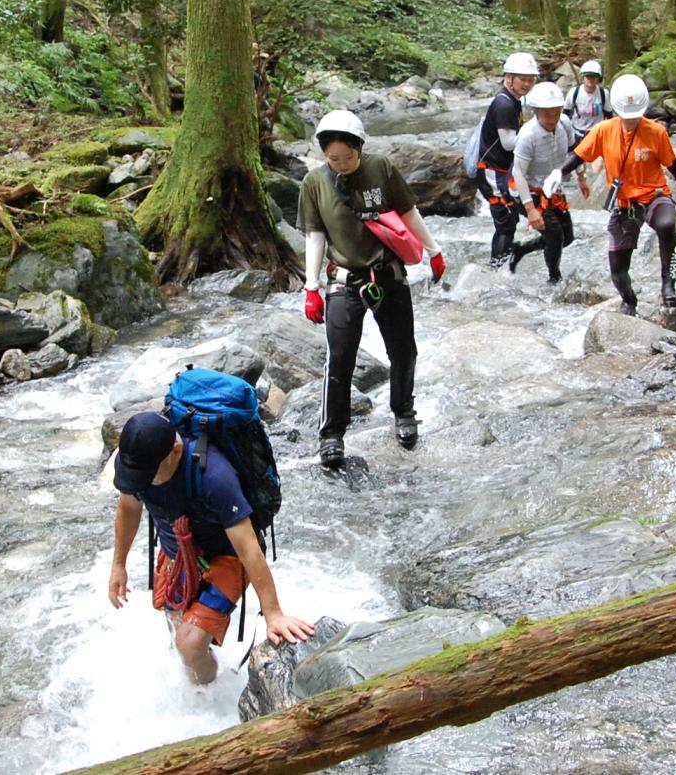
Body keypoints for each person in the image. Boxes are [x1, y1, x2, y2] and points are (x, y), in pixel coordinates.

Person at [108, 412, 314, 684]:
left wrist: (273, 614)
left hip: (227, 557)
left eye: (150, 476)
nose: (141, 483)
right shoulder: (140, 467)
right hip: (177, 555)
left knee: (190, 644)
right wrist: (118, 564)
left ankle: (207, 700)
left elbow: (249, 547)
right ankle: (194, 687)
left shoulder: (213, 476)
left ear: (176, 451)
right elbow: (128, 507)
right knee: (178, 630)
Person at [299, 110, 447, 468]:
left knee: (403, 350)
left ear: (360, 148)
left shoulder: (381, 168)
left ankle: (404, 413)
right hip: (343, 281)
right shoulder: (315, 183)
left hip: (387, 275)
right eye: (333, 159)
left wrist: (434, 250)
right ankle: (332, 435)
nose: (342, 164)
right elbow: (314, 236)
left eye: (348, 157)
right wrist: (312, 286)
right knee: (341, 359)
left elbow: (408, 213)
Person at [554, 73, 676, 314]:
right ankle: (629, 300)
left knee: (667, 225)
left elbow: (673, 164)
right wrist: (558, 173)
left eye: (635, 115)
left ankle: (669, 286)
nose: (631, 120)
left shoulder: (656, 132)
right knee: (617, 267)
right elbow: (581, 156)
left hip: (655, 196)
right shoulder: (604, 130)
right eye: (626, 115)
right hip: (625, 203)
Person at [510, 81, 590, 283]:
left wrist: (581, 177)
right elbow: (518, 173)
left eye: (556, 112)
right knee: (555, 236)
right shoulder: (528, 135)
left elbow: (575, 152)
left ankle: (522, 248)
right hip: (530, 192)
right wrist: (530, 209)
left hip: (553, 189)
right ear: (536, 111)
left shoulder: (564, 123)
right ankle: (554, 278)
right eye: (547, 113)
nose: (552, 118)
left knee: (567, 237)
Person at [473, 52, 540, 268]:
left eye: (531, 80)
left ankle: (504, 266)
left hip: (503, 171)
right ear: (509, 77)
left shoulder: (513, 101)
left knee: (509, 221)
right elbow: (508, 143)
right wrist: (533, 132)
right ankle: (495, 269)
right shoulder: (504, 104)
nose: (527, 84)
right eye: (523, 79)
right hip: (492, 171)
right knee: (505, 224)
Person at [564, 60, 607, 140]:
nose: (591, 79)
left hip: (597, 133)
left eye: (594, 76)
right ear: (583, 77)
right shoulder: (574, 92)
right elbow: (566, 113)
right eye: (588, 76)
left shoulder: (603, 93)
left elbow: (609, 115)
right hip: (577, 133)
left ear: (598, 78)